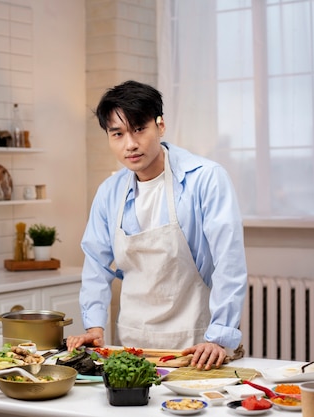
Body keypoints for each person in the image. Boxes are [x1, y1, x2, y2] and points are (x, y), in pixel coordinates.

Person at [66, 80, 247, 370]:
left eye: (139, 129)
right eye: (118, 134)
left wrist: (220, 336)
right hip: (133, 344)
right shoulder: (109, 192)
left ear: (160, 126)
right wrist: (94, 327)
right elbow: (96, 266)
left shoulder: (207, 179)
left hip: (198, 346)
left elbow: (230, 262)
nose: (131, 144)